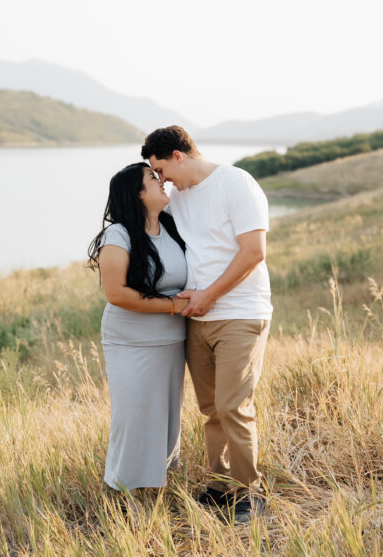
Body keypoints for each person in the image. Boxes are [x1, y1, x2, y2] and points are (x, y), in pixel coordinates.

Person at [140, 126, 272, 524]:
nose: (161, 179)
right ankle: (219, 486)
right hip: (196, 319)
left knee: (234, 406)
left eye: (161, 169)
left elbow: (254, 253)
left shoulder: (237, 183)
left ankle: (251, 493)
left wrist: (209, 295)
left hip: (239, 312)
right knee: (211, 409)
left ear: (178, 156)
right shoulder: (176, 198)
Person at [88, 162, 189, 493]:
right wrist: (172, 306)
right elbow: (116, 293)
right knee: (133, 416)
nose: (161, 181)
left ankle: (154, 484)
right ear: (137, 193)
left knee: (164, 415)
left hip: (172, 340)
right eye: (152, 177)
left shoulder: (172, 227)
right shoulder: (117, 234)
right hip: (130, 340)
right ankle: (120, 491)